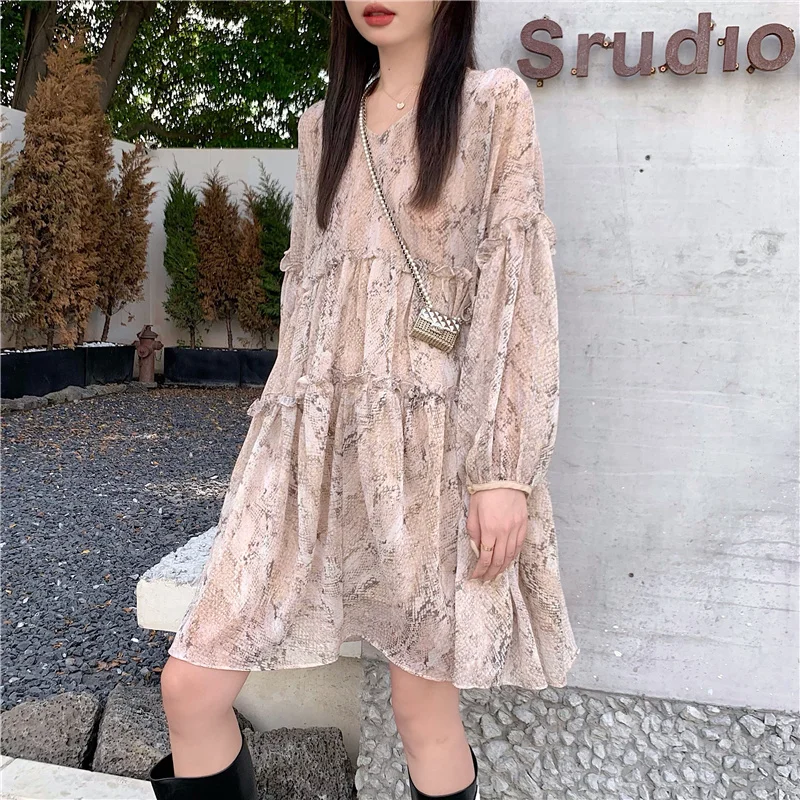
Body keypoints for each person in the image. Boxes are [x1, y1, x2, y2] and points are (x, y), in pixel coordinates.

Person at [148, 2, 579, 799]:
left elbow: (515, 289)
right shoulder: (323, 127)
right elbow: (308, 294)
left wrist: (502, 471)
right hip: (307, 442)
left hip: (434, 448)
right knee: (191, 687)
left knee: (422, 711)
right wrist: (273, 450)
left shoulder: (492, 105)